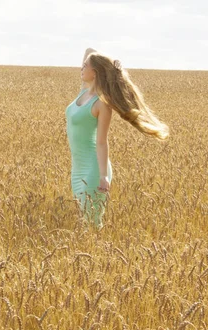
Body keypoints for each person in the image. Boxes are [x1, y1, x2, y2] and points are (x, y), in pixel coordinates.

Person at [65, 47, 170, 229]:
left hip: (94, 170)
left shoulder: (101, 104)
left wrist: (103, 176)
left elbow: (101, 142)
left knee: (92, 223)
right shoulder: (84, 92)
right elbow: (89, 50)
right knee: (84, 221)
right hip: (77, 169)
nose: (81, 69)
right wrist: (107, 64)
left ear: (95, 72)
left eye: (85, 66)